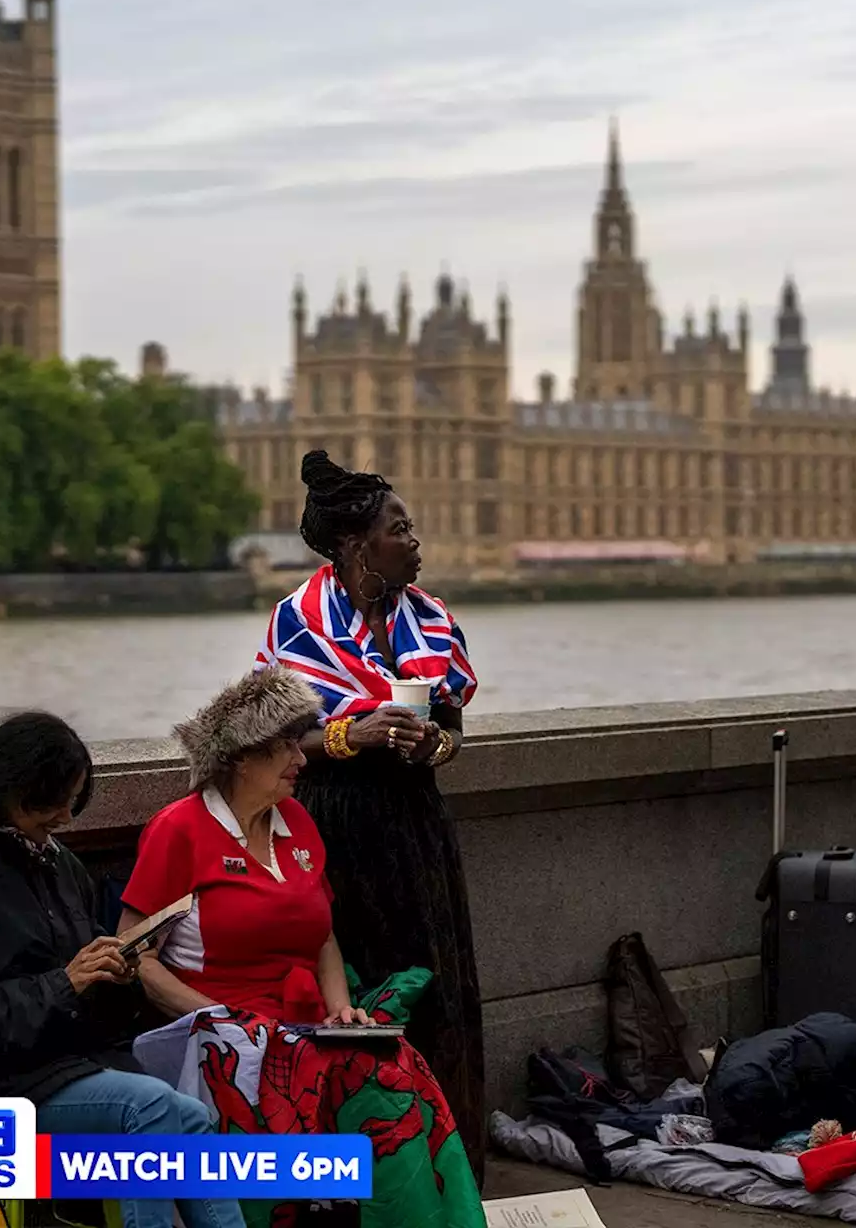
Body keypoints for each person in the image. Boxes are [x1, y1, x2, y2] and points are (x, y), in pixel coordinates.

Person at [118, 666, 485, 1228]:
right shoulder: (180, 830)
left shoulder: (296, 821)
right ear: (242, 758)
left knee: (397, 1071)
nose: (302, 758)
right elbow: (133, 952)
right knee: (349, 1091)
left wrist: (341, 1008)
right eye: (286, 746)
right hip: (220, 1034)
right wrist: (220, 1019)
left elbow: (324, 936)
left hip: (304, 1023)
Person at [0, 712, 245, 1228]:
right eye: (51, 802)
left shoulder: (53, 860)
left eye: (72, 801)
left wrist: (114, 980)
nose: (64, 817)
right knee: (149, 1111)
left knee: (191, 1114)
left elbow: (84, 1003)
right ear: (9, 789)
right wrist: (65, 983)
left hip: (54, 1063)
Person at [251, 449, 485, 1183]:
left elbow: (452, 731)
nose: (416, 542)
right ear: (357, 546)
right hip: (335, 827)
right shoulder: (298, 622)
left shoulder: (434, 621)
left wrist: (429, 743)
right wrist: (359, 734)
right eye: (401, 529)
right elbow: (279, 743)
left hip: (414, 826)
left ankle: (446, 1161)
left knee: (435, 985)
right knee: (351, 995)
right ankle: (363, 1169)